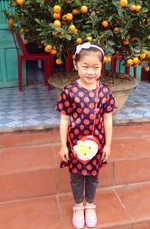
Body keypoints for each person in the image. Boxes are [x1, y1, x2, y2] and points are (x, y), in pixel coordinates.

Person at [56, 42, 116, 229]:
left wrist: (107, 145)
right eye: (85, 67)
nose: (90, 72)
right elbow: (64, 119)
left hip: (97, 145)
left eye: (95, 67)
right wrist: (63, 145)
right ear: (76, 65)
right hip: (74, 145)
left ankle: (90, 204)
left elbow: (108, 119)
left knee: (92, 176)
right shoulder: (69, 91)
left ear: (101, 67)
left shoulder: (105, 92)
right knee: (75, 177)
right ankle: (77, 206)